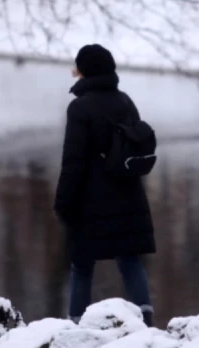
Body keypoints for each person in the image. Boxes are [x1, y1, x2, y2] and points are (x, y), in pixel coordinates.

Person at [54, 44, 156, 327]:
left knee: (82, 264)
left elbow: (73, 161)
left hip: (90, 200)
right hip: (127, 194)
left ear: (84, 71)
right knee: (130, 261)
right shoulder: (125, 101)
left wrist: (63, 202)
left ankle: (75, 325)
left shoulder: (79, 108)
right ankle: (145, 323)